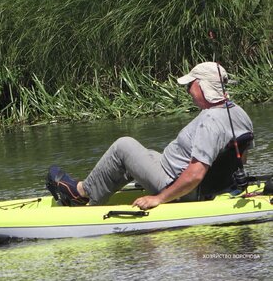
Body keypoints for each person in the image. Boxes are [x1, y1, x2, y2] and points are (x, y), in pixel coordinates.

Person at [46, 62, 254, 210]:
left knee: (124, 146)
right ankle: (92, 195)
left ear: (202, 86)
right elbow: (240, 158)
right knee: (144, 154)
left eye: (190, 85)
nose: (188, 91)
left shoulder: (210, 122)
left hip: (177, 185)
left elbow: (195, 174)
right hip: (197, 180)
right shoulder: (238, 113)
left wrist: (159, 199)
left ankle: (80, 193)